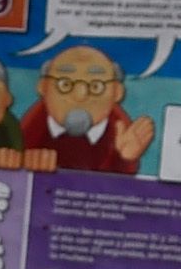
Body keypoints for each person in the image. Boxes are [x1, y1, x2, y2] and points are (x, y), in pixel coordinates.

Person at [23, 46, 156, 175]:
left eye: (96, 86)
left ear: (117, 92)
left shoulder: (120, 134)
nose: (80, 95)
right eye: (65, 84)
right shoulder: (28, 132)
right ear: (43, 87)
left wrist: (125, 159)